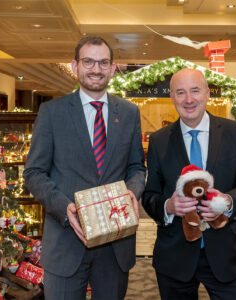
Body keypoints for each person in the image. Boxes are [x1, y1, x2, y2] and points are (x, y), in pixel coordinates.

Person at [23, 36, 146, 300]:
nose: (96, 69)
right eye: (88, 61)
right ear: (74, 65)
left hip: (115, 246)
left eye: (103, 62)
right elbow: (33, 173)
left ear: (113, 68)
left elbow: (137, 168)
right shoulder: (51, 113)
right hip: (67, 241)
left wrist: (132, 193)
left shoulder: (129, 113)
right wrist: (64, 208)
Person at [142, 68, 236, 300]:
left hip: (226, 256)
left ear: (207, 93)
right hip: (174, 259)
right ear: (172, 98)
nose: (188, 99)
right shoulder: (158, 141)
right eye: (181, 92)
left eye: (195, 91)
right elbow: (150, 195)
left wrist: (227, 202)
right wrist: (168, 207)